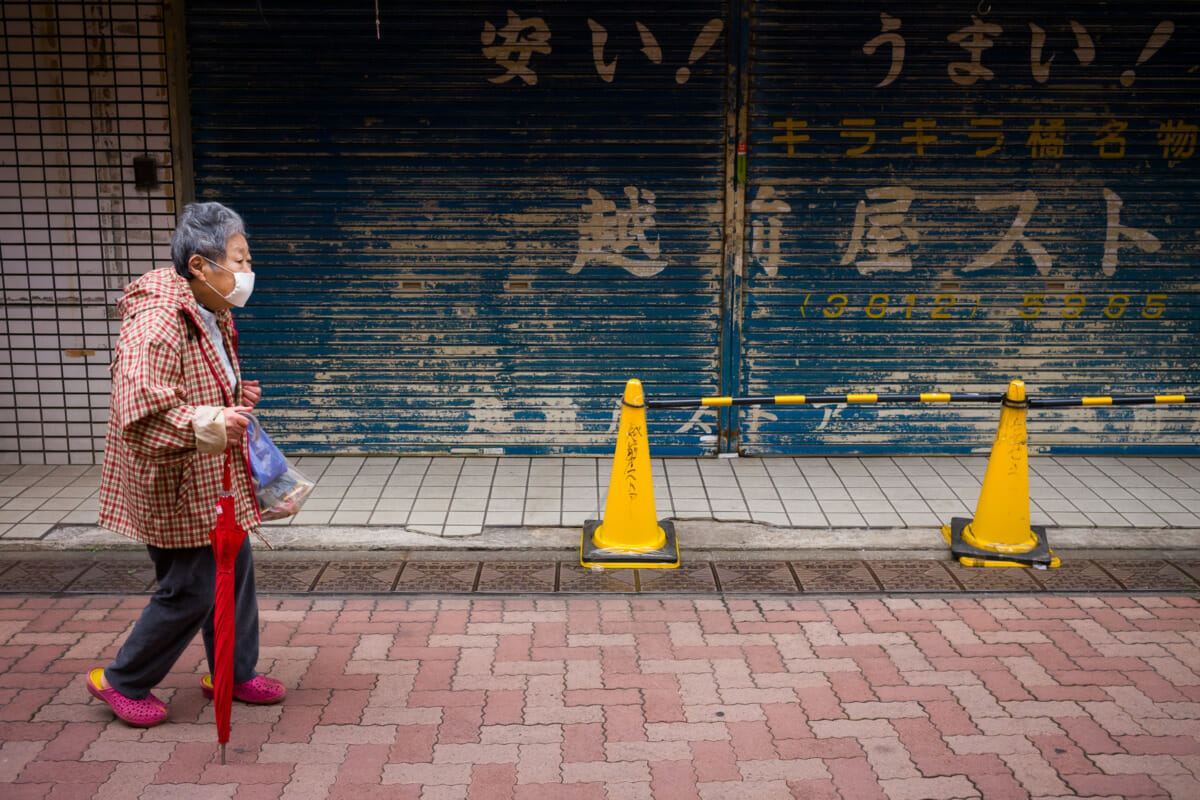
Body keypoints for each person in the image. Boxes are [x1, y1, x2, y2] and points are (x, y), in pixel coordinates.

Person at [87, 201, 285, 727]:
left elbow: (191, 384)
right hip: (176, 482)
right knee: (191, 590)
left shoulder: (209, 309)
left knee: (235, 573)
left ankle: (233, 673)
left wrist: (234, 392)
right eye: (239, 260)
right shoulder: (157, 323)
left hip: (212, 476)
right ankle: (123, 679)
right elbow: (139, 413)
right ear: (200, 264)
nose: (247, 272)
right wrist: (215, 421)